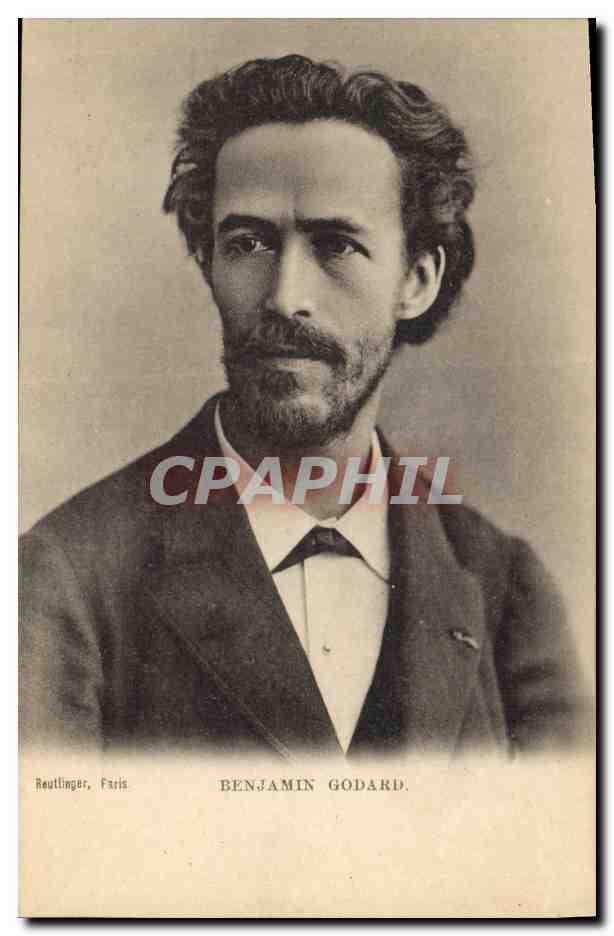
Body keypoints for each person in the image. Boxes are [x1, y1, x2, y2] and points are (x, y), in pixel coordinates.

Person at [19, 55, 588, 760]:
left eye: (336, 245)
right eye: (247, 244)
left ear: (416, 280)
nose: (286, 296)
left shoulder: (507, 590)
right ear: (208, 262)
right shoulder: (68, 580)